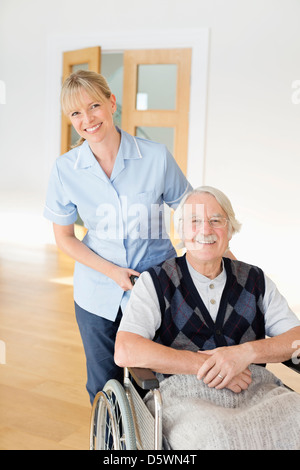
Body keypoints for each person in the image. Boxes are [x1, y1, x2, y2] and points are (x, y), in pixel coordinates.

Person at [43, 69, 192, 405]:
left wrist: (216, 254)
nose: (87, 119)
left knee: (153, 383)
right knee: (103, 384)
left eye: (93, 106)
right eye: (76, 113)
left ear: (112, 103)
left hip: (156, 288)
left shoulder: (155, 157)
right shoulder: (65, 169)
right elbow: (65, 237)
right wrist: (112, 272)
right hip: (96, 293)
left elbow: (189, 212)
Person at [115, 186, 300, 450]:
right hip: (184, 396)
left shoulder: (256, 280)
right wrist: (209, 364)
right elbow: (125, 349)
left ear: (230, 229)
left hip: (256, 389)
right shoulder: (156, 282)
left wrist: (243, 354)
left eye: (216, 221)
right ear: (181, 231)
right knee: (216, 439)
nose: (206, 230)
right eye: (195, 221)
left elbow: (296, 339)